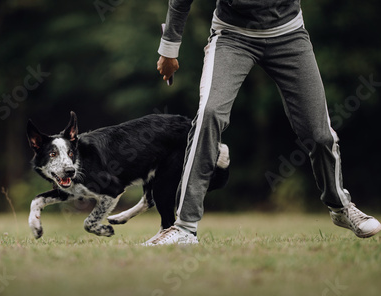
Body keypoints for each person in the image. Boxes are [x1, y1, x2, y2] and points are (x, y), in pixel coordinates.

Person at [144, 0, 381, 245]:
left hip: (289, 35)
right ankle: (185, 227)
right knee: (209, 114)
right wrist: (169, 49)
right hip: (232, 37)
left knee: (319, 133)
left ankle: (340, 207)